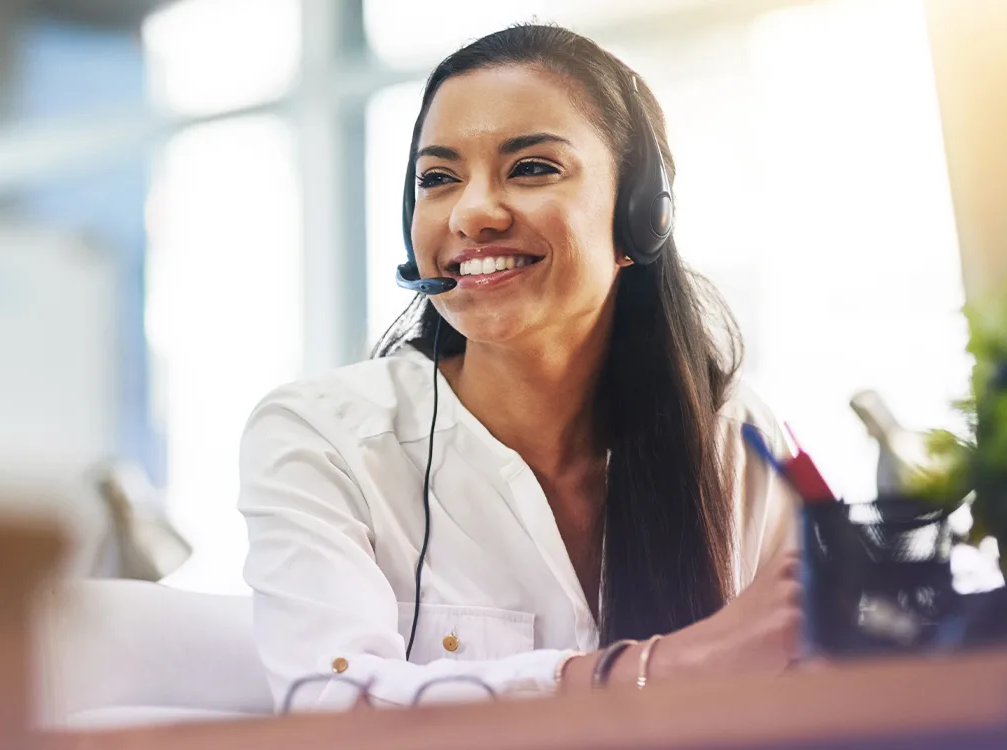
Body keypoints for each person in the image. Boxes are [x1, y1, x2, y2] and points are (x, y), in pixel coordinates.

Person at [238, 24, 802, 710]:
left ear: (641, 216)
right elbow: (330, 703)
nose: (473, 214)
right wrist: (657, 667)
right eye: (439, 179)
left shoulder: (733, 436)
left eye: (532, 168)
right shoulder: (323, 437)